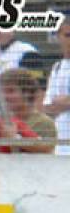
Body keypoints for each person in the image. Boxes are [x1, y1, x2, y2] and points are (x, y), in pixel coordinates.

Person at [0, 68, 55, 154]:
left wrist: (15, 138)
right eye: (3, 92)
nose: (5, 96)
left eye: (10, 91)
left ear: (27, 92)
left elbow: (46, 150)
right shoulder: (1, 121)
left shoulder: (44, 123)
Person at [43, 16, 70, 156]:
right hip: (62, 146)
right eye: (67, 35)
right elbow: (48, 107)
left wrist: (66, 102)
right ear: (59, 37)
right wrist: (60, 103)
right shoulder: (57, 68)